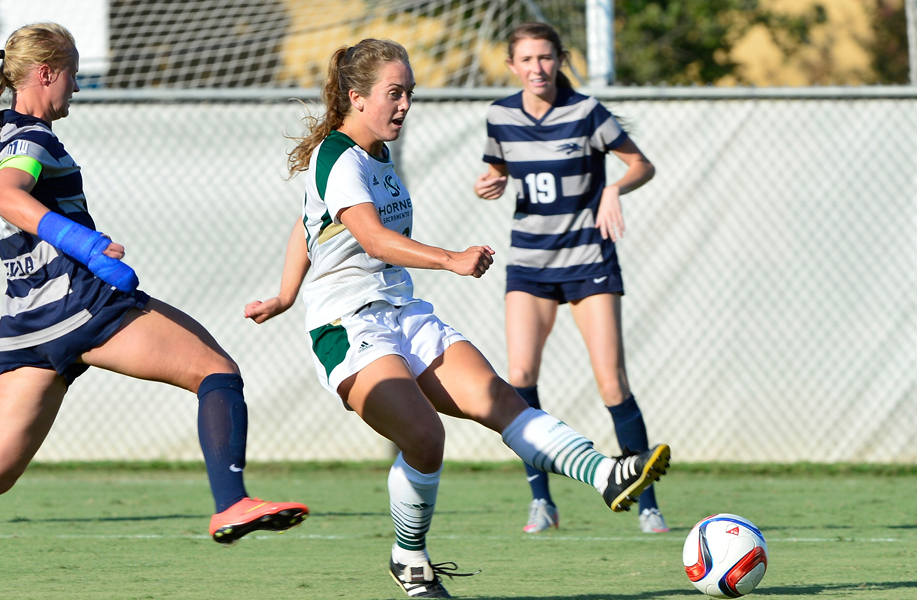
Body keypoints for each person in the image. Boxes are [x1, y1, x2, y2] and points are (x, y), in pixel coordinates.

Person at [244, 38, 669, 599]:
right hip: (348, 325)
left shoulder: (375, 154)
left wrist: (282, 292)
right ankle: (410, 558)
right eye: (394, 93)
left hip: (403, 311)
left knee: (500, 400)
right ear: (357, 97)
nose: (404, 105)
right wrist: (449, 258)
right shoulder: (337, 155)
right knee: (425, 435)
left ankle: (606, 474)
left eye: (409, 94)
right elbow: (369, 236)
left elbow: (308, 221)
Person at [0, 22, 308, 546]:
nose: (74, 87)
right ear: (45, 72)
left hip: (25, 326)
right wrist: (89, 246)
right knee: (216, 370)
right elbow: (6, 194)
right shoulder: (30, 137)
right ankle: (231, 504)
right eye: (70, 74)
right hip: (83, 307)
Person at [473, 22, 666, 535]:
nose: (537, 68)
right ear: (512, 66)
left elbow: (641, 165)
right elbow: (498, 169)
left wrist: (614, 189)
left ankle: (645, 501)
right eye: (527, 59)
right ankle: (543, 503)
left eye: (546, 58)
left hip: (588, 262)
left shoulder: (587, 112)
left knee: (611, 382)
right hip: (530, 264)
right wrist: (489, 182)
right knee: (520, 382)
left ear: (560, 60)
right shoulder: (500, 116)